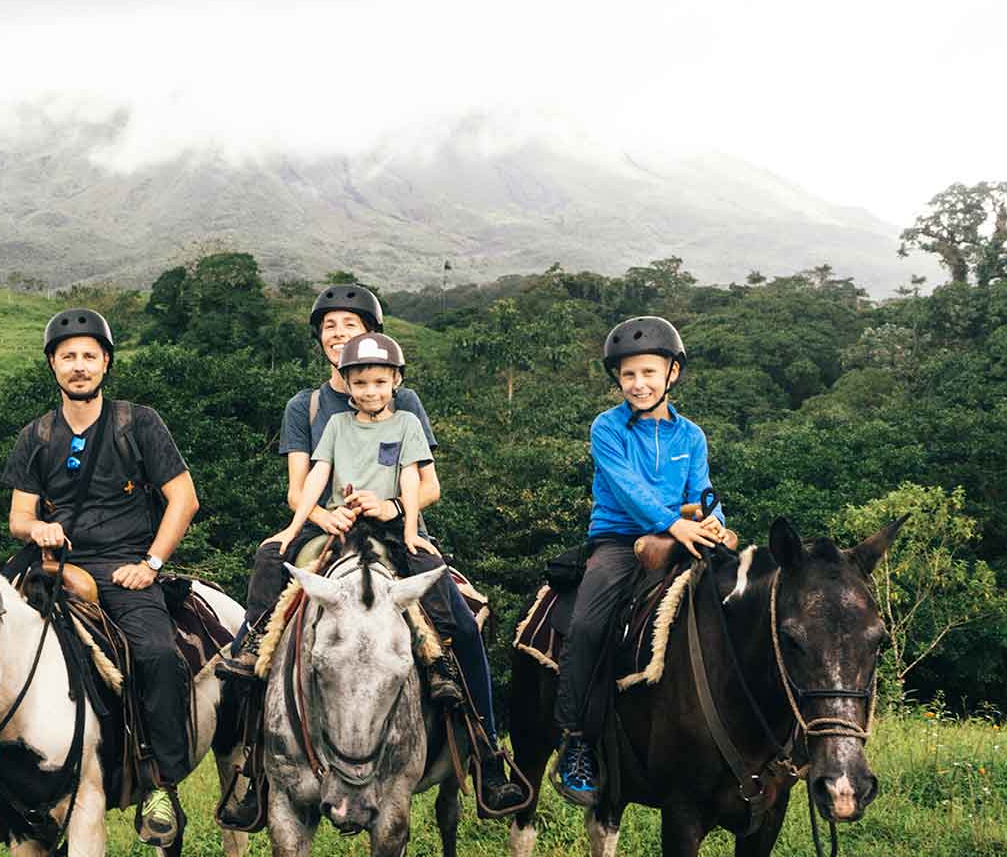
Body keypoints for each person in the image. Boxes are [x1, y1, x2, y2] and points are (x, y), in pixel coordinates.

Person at [220, 327, 526, 820]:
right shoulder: (317, 413)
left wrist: (398, 516)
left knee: (461, 622)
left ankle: (486, 749)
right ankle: (256, 749)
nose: (371, 389)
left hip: (390, 526)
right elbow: (309, 482)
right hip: (334, 526)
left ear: (393, 378)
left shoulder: (407, 412)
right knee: (270, 574)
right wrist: (310, 520)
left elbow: (422, 482)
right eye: (330, 326)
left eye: (379, 382)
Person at [0, 306, 202, 848]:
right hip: (55, 563)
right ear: (53, 366)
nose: (78, 366)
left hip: (125, 564)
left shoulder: (139, 423)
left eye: (88, 355)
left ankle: (160, 786)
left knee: (156, 654)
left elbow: (183, 498)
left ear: (105, 362)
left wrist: (150, 564)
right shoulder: (36, 435)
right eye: (67, 357)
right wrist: (39, 531)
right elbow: (19, 516)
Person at [552, 316, 726, 807]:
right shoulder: (606, 427)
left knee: (738, 603)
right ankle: (576, 740)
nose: (638, 384)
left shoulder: (690, 435)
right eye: (628, 375)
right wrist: (676, 524)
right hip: (618, 541)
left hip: (686, 534)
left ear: (672, 373)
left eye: (649, 372)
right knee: (587, 625)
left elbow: (704, 491)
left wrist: (714, 521)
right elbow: (629, 492)